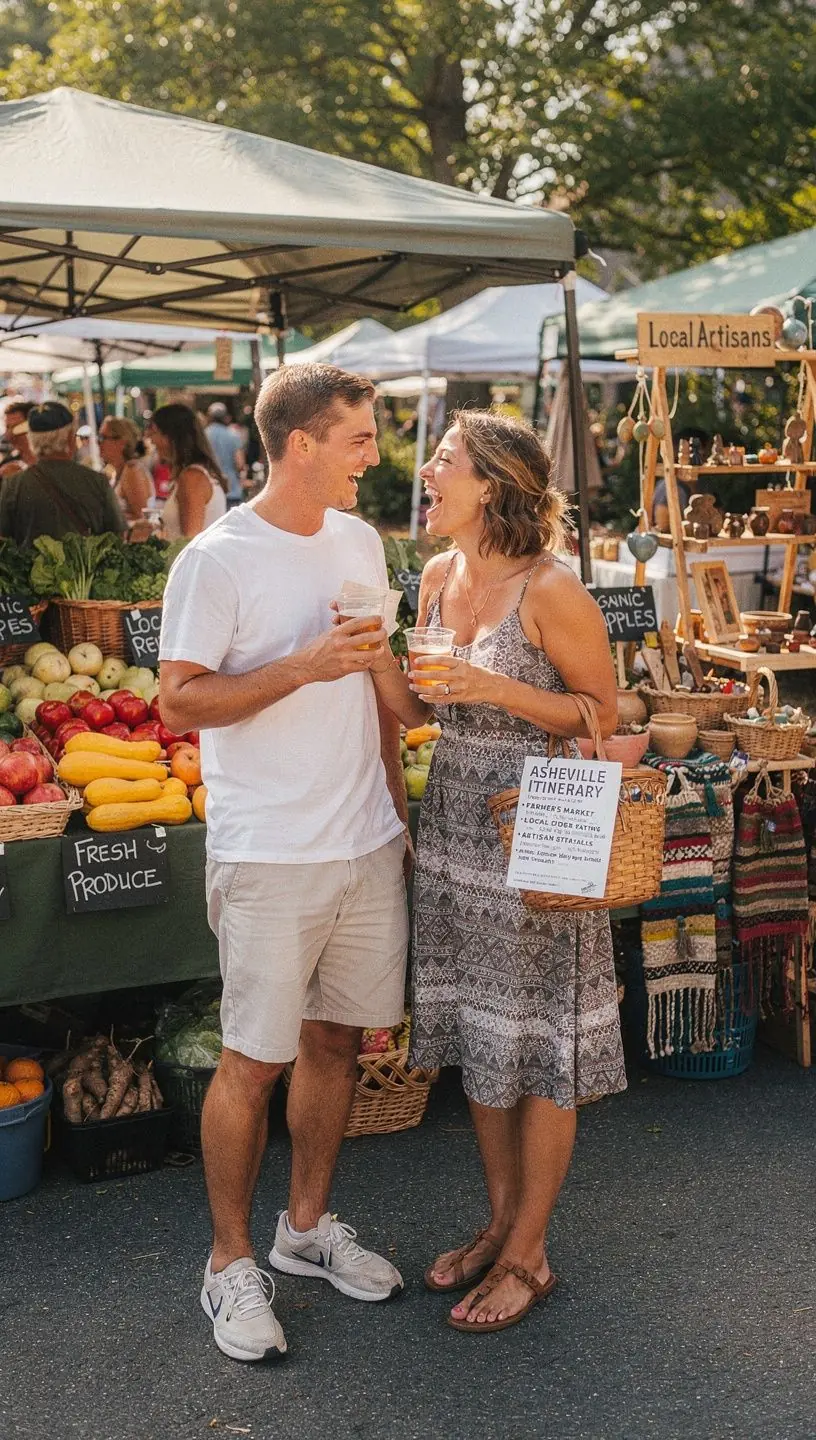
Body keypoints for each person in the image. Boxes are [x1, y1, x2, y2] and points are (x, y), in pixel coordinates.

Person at [158, 363, 410, 1364]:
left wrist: (395, 808)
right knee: (253, 1061)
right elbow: (178, 702)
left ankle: (303, 1231)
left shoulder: (359, 541)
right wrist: (302, 667)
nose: (375, 457)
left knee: (339, 1044)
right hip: (269, 851)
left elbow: (375, 691)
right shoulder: (216, 560)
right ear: (301, 443)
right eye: (359, 439)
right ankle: (228, 1265)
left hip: (363, 843)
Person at [370, 410, 626, 1334]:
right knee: (484, 1038)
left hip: (537, 833)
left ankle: (530, 1252)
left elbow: (602, 710)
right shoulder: (437, 575)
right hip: (453, 833)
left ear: (495, 487)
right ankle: (501, 1222)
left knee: (542, 1043)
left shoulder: (551, 590)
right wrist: (373, 659)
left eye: (444, 460)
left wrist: (498, 689)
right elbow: (418, 710)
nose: (426, 472)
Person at [0, 401, 125, 547]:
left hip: (28, 569)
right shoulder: (97, 481)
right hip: (85, 570)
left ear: (31, 439)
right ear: (70, 437)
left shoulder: (13, 484)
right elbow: (117, 537)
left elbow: (3, 541)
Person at [147, 403, 228, 540]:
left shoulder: (192, 477)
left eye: (153, 431)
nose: (149, 437)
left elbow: (189, 541)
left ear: (170, 436)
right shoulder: (191, 475)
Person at [98, 417, 155, 526]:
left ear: (122, 443)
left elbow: (141, 517)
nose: (98, 443)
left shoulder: (132, 470)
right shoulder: (117, 472)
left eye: (102, 438)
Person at [205, 402, 246, 508]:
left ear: (210, 417)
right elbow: (240, 464)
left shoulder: (203, 435)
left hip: (209, 491)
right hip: (232, 491)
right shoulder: (233, 435)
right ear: (224, 417)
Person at [0, 398, 35, 484]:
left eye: (16, 427)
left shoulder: (51, 460)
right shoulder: (8, 463)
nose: (9, 435)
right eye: (8, 427)